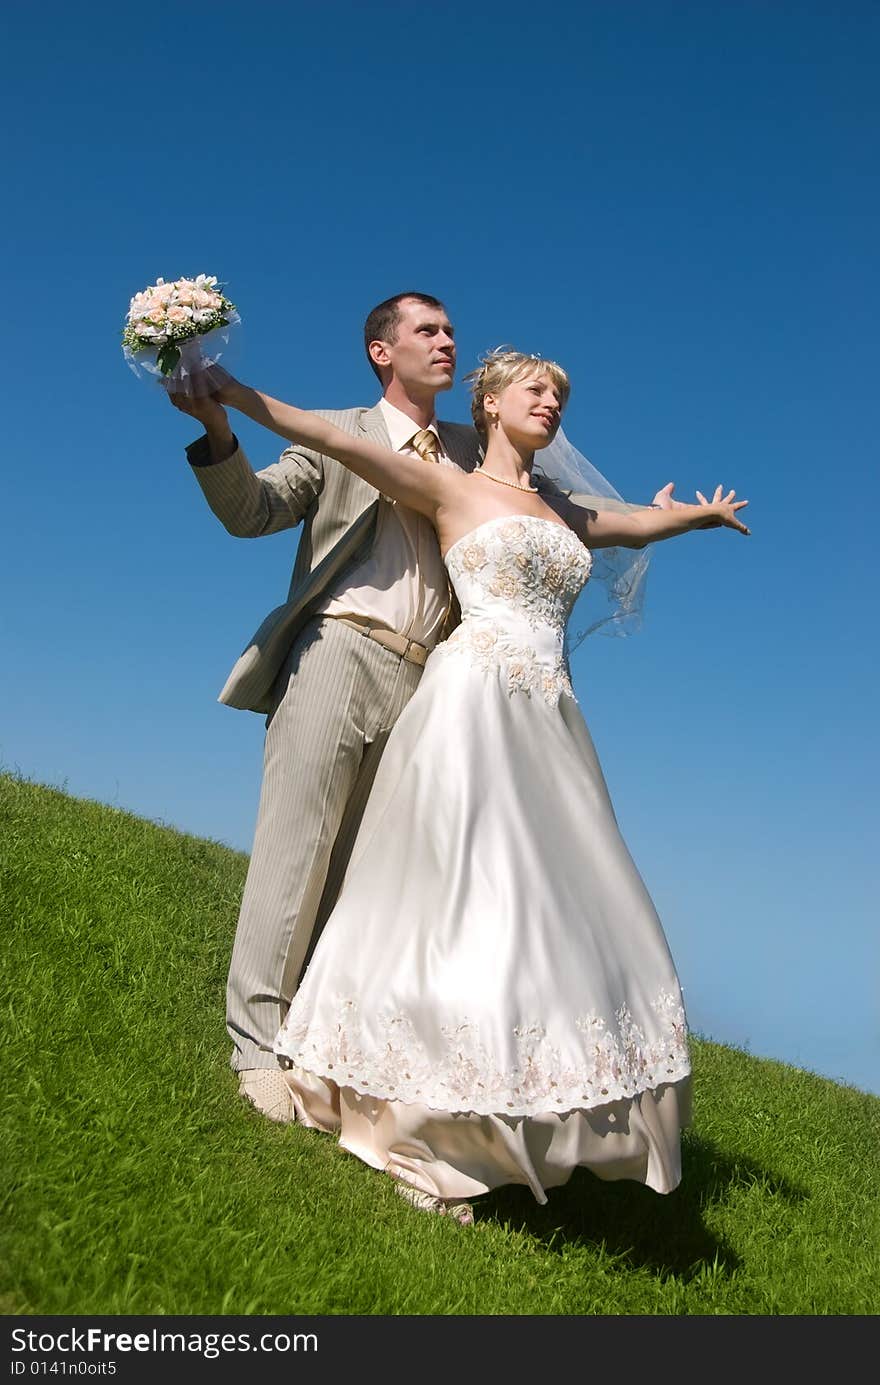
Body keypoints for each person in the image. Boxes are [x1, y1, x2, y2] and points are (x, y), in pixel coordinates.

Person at [208, 349, 749, 1224]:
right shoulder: (449, 486)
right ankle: (420, 1122)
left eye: (561, 394)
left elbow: (629, 527)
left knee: (544, 906)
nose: (551, 401)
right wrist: (233, 396)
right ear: (489, 406)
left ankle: (515, 1106)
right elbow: (324, 437)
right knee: (458, 893)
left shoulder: (564, 508)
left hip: (548, 719)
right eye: (535, 388)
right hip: (469, 706)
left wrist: (688, 519)